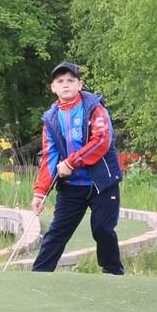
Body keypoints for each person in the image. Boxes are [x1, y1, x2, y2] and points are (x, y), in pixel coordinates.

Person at [31, 62, 125, 275]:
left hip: (102, 183)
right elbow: (49, 156)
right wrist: (40, 192)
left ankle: (113, 273)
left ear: (80, 84)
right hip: (72, 185)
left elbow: (102, 141)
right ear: (53, 87)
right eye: (60, 81)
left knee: (103, 229)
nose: (66, 85)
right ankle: (38, 275)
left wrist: (71, 162)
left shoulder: (95, 108)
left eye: (71, 80)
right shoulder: (51, 118)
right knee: (56, 233)